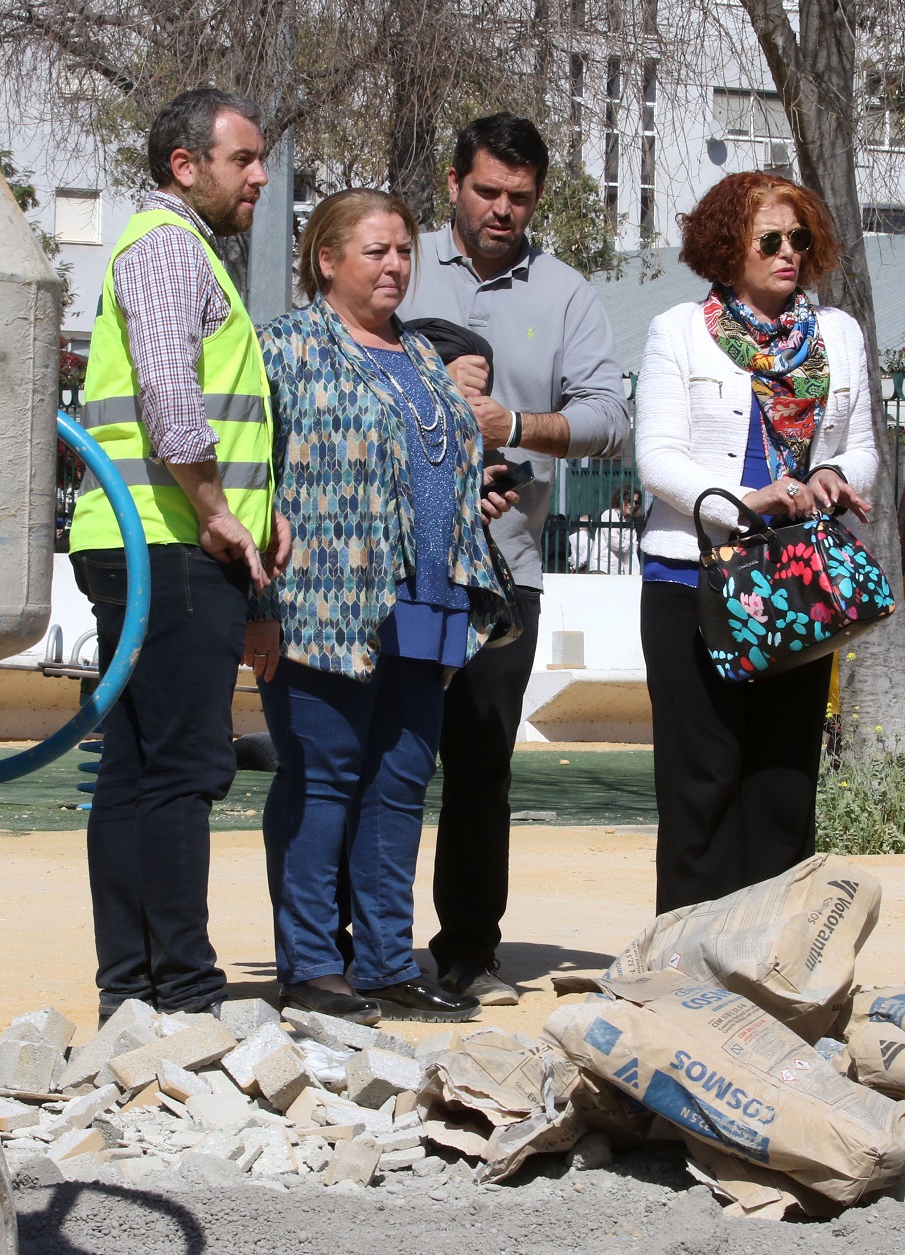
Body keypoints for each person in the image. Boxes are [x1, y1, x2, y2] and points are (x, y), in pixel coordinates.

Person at [245, 188, 519, 1024]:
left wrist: (470, 493)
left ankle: (389, 962)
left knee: (400, 783)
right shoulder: (284, 350)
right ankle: (312, 966)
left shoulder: (424, 357)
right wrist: (258, 600)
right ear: (326, 260)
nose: (396, 264)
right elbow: (250, 476)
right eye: (376, 250)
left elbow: (430, 458)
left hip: (428, 602)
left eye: (403, 249)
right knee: (323, 780)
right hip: (324, 602)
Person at [68, 88, 290, 1021]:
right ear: (184, 166)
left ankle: (138, 986)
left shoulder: (179, 250)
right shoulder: (165, 246)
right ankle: (182, 990)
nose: (261, 177)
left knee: (139, 766)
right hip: (163, 540)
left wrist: (255, 507)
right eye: (243, 160)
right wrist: (214, 510)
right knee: (181, 768)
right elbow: (167, 389)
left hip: (149, 537)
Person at [397, 113, 630, 1003]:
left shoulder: (567, 294)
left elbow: (610, 419)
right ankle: (355, 950)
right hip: (393, 571)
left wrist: (516, 430)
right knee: (380, 760)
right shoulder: (395, 259)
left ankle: (468, 952)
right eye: (488, 191)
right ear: (453, 181)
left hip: (506, 572)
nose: (503, 211)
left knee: (481, 768)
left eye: (521, 198)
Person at [634, 170, 877, 915]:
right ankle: (687, 966)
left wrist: (833, 473)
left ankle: (771, 964)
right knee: (701, 781)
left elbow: (862, 445)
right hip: (692, 581)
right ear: (725, 245)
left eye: (799, 238)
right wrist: (743, 501)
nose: (788, 252)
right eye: (768, 238)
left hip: (796, 585)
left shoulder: (837, 334)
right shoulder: (679, 329)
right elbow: (658, 457)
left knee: (782, 781)